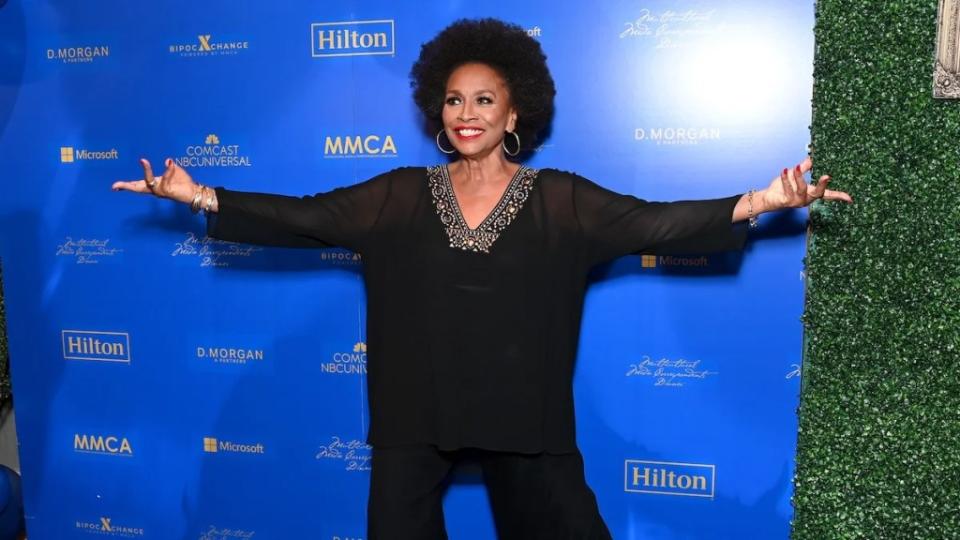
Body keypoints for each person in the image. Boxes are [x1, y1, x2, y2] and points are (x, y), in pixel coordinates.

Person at [113, 17, 852, 540]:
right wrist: (202, 196)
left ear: (514, 112)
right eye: (454, 99)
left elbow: (652, 222)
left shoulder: (560, 200)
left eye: (485, 100)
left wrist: (762, 201)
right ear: (439, 106)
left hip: (522, 417)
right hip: (414, 415)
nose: (467, 114)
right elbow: (307, 216)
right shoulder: (399, 195)